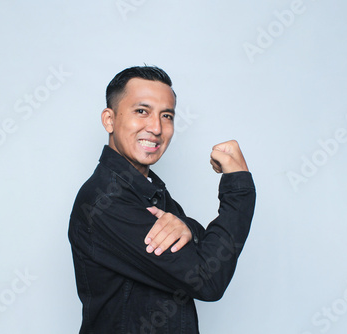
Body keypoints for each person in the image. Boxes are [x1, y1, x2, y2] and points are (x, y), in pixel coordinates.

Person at [68, 66, 256, 333]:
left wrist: (188, 228)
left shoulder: (147, 191)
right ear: (109, 120)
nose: (156, 128)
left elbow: (199, 253)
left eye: (166, 115)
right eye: (141, 111)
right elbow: (207, 278)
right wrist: (239, 187)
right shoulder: (107, 202)